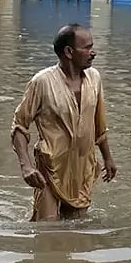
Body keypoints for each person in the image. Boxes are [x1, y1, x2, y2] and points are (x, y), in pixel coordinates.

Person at [10, 24, 117, 221]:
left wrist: (108, 158)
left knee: (76, 226)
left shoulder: (94, 78)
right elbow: (19, 126)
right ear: (69, 52)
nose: (93, 53)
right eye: (87, 48)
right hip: (49, 170)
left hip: (82, 169)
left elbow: (99, 124)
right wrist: (26, 166)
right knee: (47, 228)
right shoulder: (42, 82)